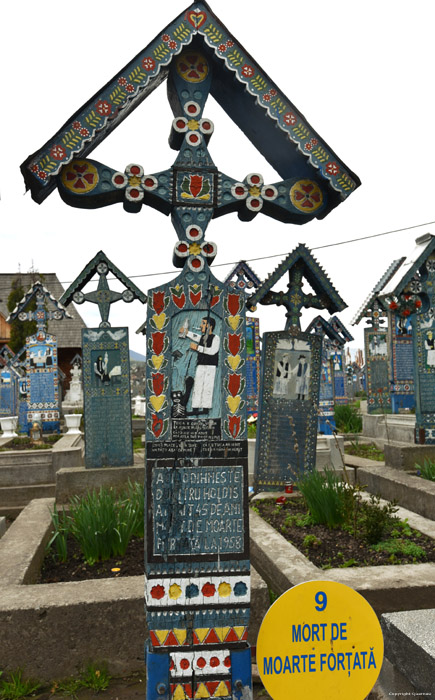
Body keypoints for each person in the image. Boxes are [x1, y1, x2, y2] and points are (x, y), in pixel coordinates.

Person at [179, 316, 219, 414]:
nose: (201, 325)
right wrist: (187, 332)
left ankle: (205, 409)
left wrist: (198, 348)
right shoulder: (203, 337)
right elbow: (196, 337)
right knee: (198, 386)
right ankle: (195, 408)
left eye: (203, 323)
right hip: (200, 365)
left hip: (210, 366)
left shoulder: (216, 338)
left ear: (210, 326)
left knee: (207, 387)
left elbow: (213, 351)